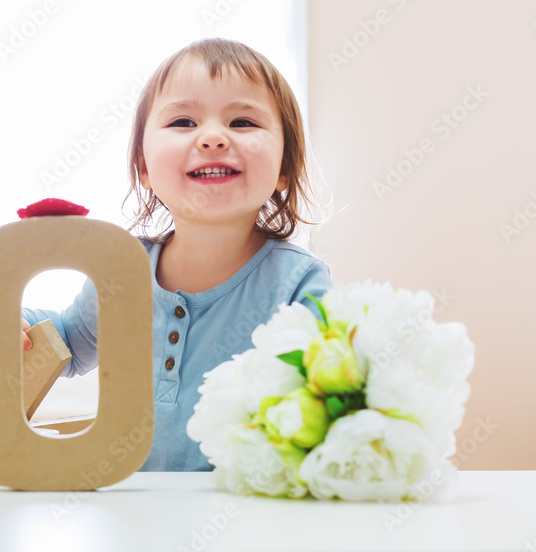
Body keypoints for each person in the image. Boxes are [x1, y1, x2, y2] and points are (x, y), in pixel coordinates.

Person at [20, 38, 333, 471]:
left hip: (247, 519)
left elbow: (328, 400)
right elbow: (69, 343)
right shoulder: (122, 272)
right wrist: (11, 326)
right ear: (144, 169)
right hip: (134, 520)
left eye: (242, 121)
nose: (212, 137)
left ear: (285, 167)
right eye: (184, 121)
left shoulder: (298, 285)